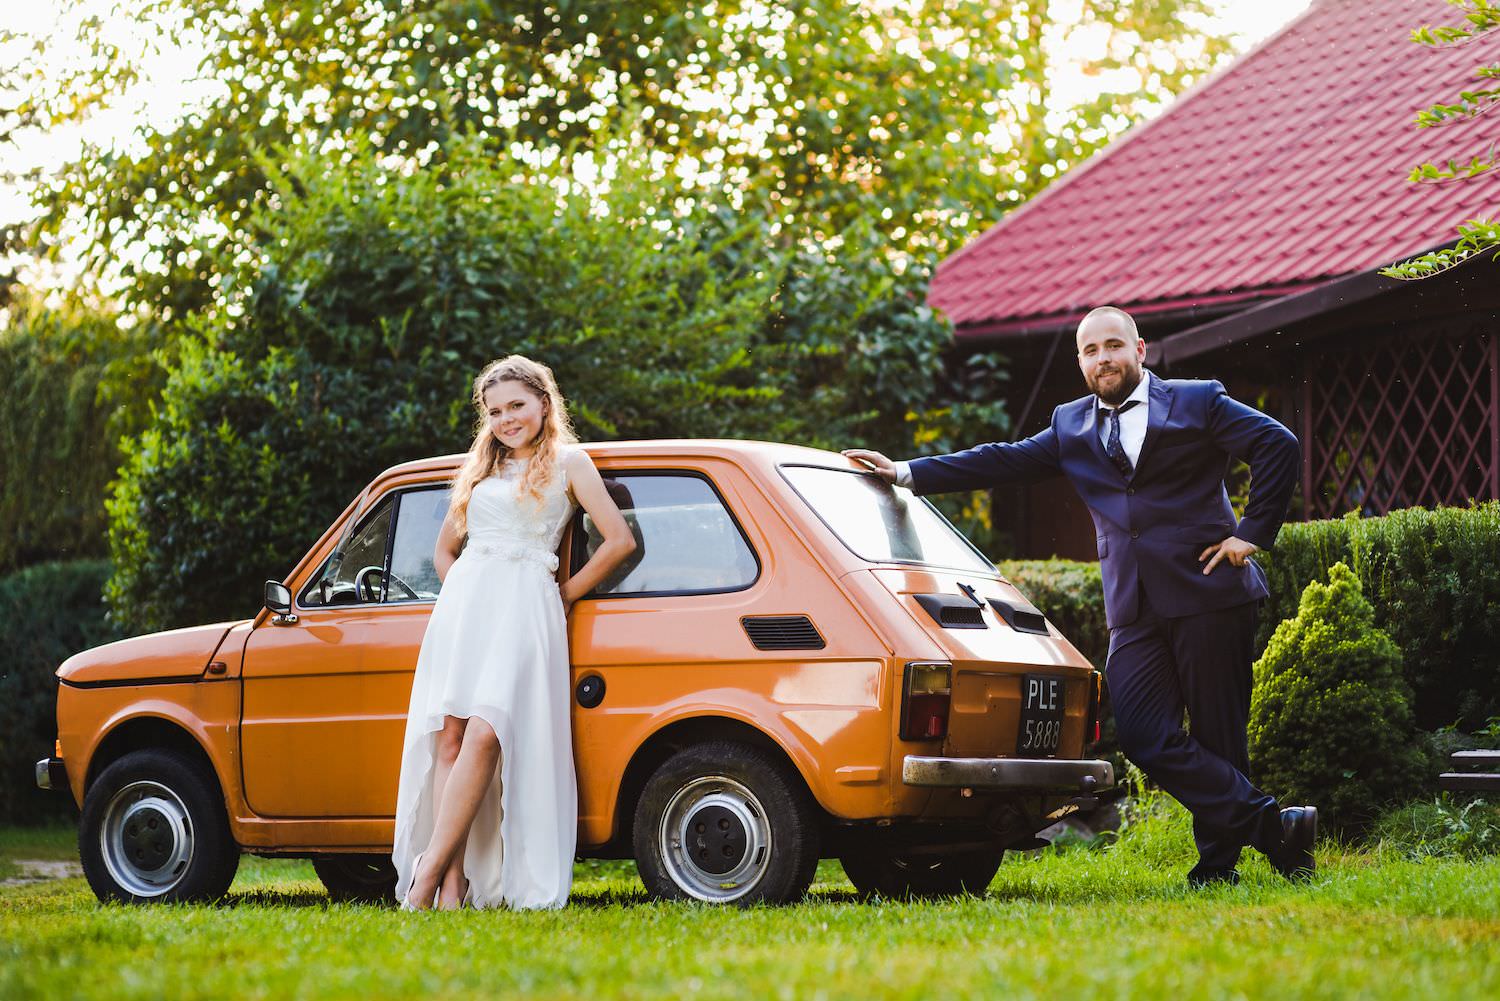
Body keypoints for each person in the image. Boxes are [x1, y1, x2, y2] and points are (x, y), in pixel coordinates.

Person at [843, 305, 1317, 887]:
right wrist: (908, 472)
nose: (1103, 360)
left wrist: (1250, 534)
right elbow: (1004, 459)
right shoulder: (1070, 426)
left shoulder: (1197, 401)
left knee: (1220, 736)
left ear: (1140, 350)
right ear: (1080, 362)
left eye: (1113, 346)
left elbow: (1278, 444)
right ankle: (1277, 828)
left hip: (1210, 592)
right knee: (1144, 734)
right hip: (1133, 608)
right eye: (1091, 352)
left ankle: (1219, 866)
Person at [392, 355, 635, 909]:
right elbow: (444, 551)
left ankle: (426, 875)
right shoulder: (478, 468)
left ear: (544, 403)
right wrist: (464, 597)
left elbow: (619, 539)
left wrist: (564, 593)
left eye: (517, 406)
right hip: (467, 607)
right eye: (495, 411)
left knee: (485, 733)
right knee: (450, 738)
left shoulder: (571, 463)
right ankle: (453, 888)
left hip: (528, 602)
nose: (507, 419)